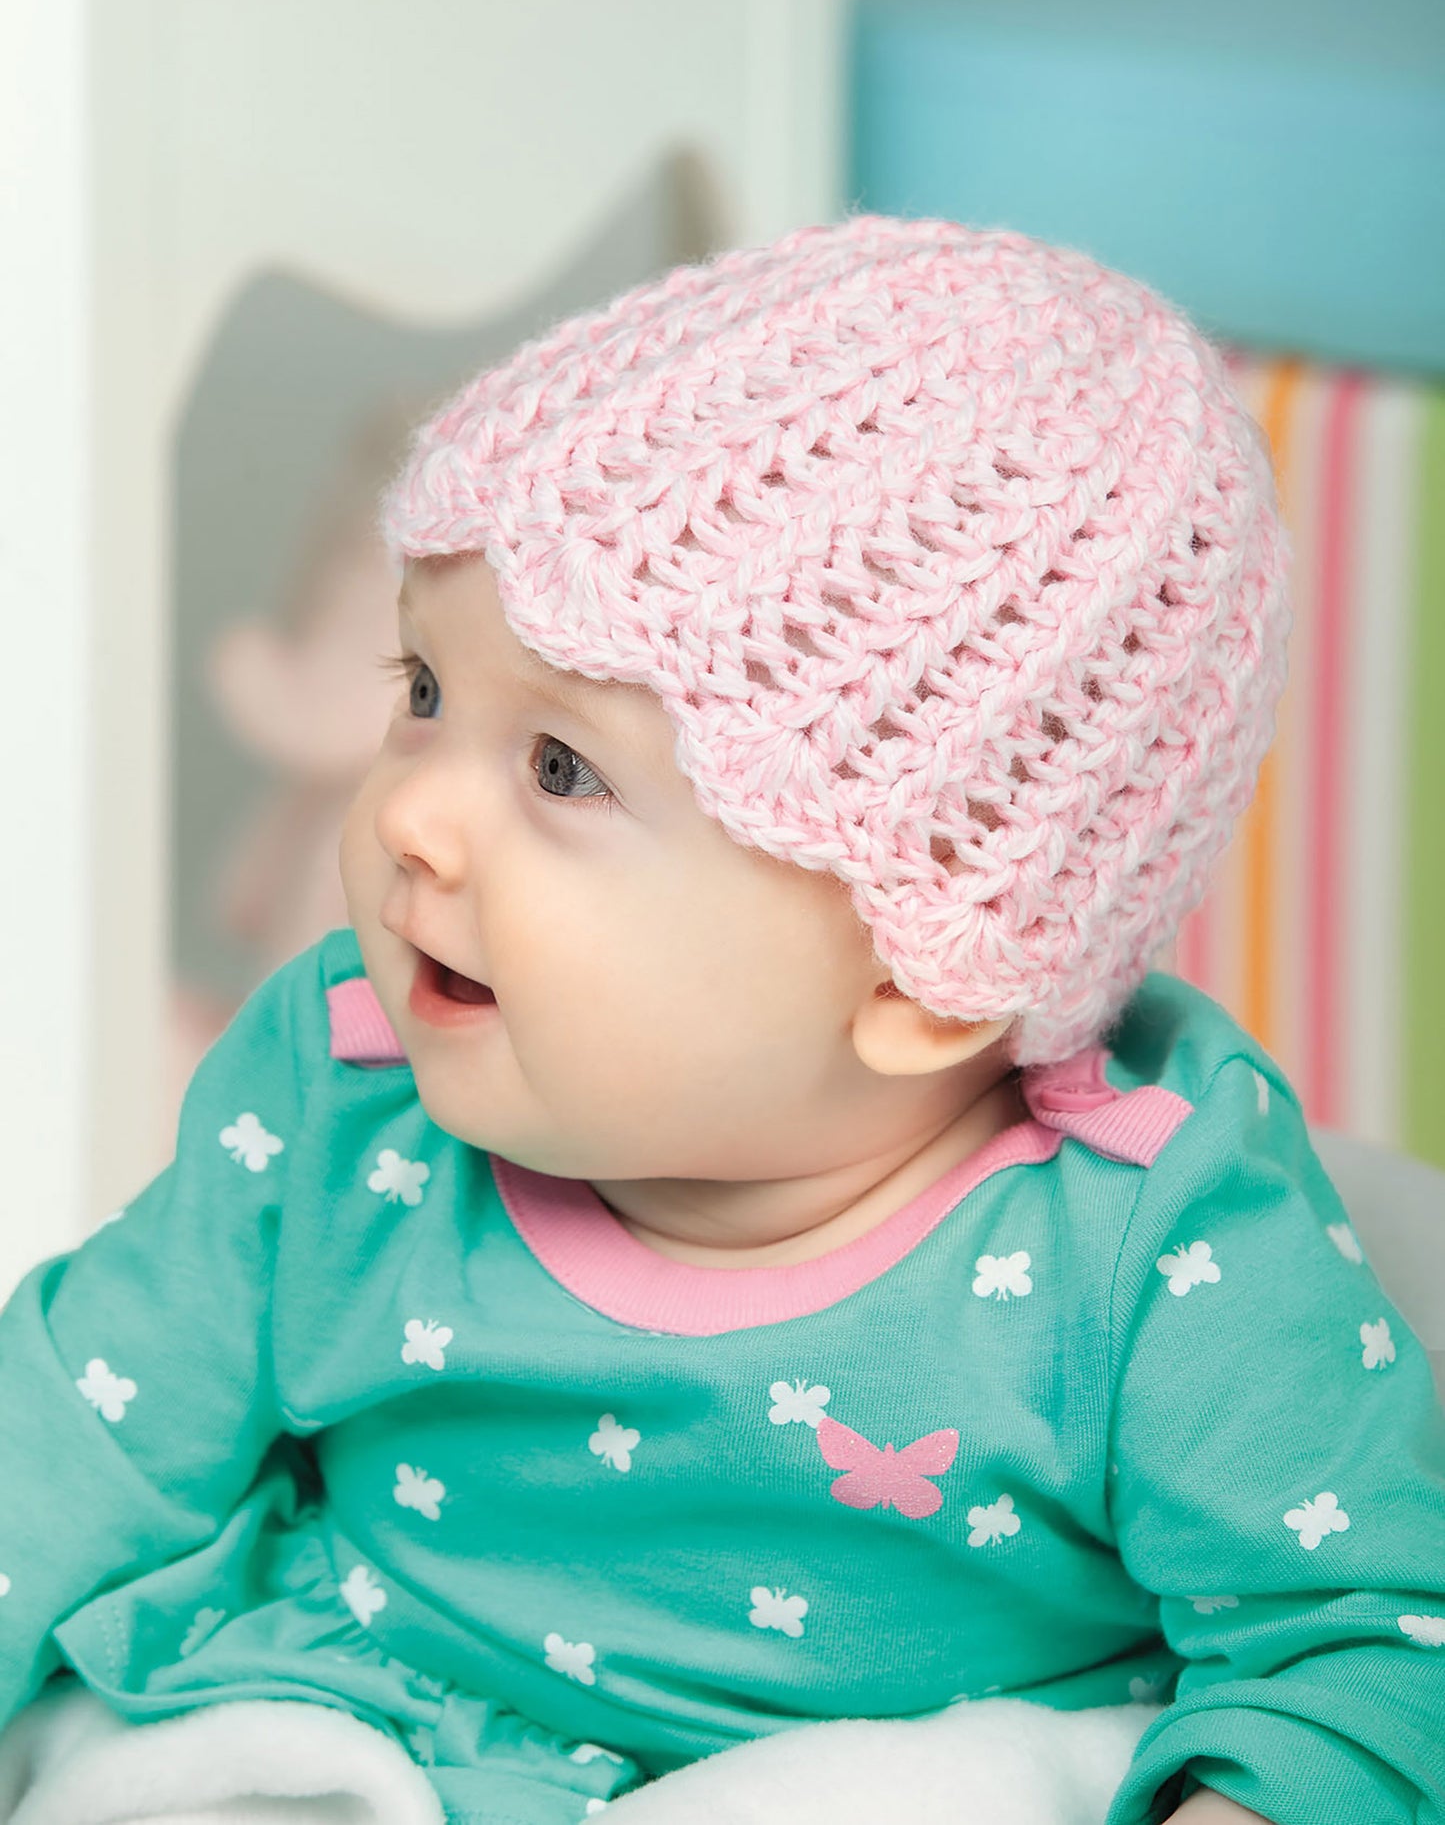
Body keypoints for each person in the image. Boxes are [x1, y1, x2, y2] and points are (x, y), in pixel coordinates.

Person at [1, 217, 1442, 1825]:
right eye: (419, 692)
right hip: (379, 1720)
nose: (412, 818)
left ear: (920, 978)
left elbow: (1368, 1646)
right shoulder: (341, 1086)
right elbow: (65, 1436)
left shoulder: (1152, 1241)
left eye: (559, 769)